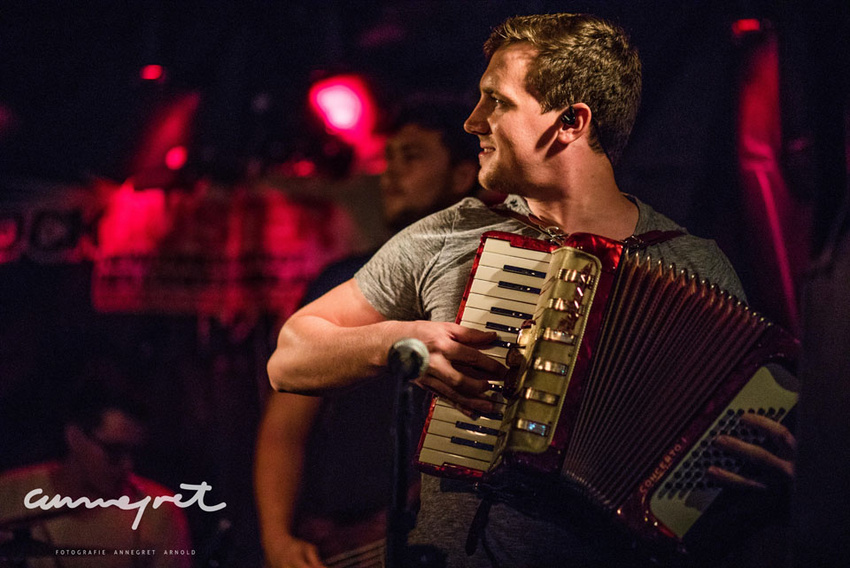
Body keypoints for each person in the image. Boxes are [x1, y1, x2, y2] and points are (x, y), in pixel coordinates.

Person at [266, 13, 796, 567]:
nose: (473, 121)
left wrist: (777, 479)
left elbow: (730, 486)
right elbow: (290, 356)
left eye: (496, 101)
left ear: (569, 122)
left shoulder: (693, 264)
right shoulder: (451, 234)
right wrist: (400, 343)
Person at [254, 101, 482, 568]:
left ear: (463, 176)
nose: (390, 173)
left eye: (412, 157)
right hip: (350, 540)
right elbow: (285, 424)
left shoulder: (494, 278)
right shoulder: (345, 280)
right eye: (389, 158)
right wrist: (276, 538)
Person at [0, 371, 192, 568]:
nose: (128, 465)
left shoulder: (159, 513)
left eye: (134, 453)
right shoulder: (7, 495)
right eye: (114, 450)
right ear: (74, 437)